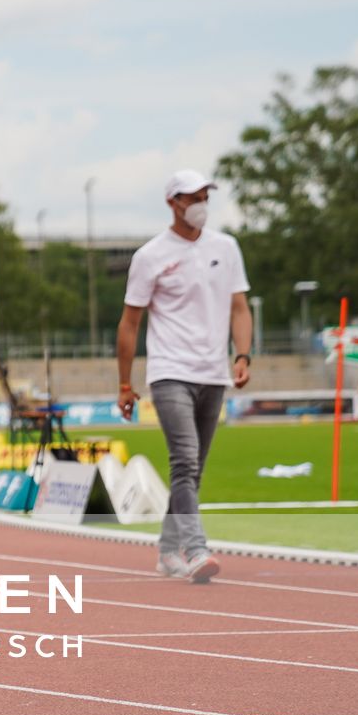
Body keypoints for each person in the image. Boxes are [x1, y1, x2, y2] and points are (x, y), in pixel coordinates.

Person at [117, 169, 251, 584]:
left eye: (205, 195)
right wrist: (125, 382)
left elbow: (239, 307)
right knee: (185, 459)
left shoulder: (226, 247)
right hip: (169, 370)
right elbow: (129, 323)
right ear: (173, 202)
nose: (200, 204)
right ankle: (194, 550)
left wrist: (243, 353)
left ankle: (165, 551)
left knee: (194, 469)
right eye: (192, 197)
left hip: (213, 372)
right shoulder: (150, 256)